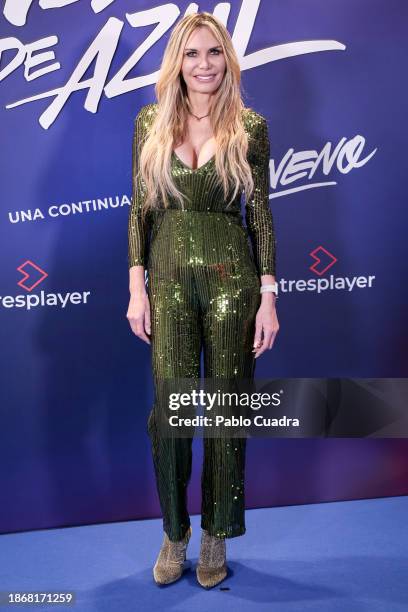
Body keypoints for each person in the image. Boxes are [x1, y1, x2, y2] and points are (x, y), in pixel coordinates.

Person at [126, 12, 279, 589]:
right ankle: (174, 530)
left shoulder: (251, 126)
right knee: (170, 413)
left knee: (225, 412)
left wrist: (268, 297)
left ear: (228, 60)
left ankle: (216, 530)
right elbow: (139, 211)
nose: (204, 65)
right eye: (192, 54)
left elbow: (260, 215)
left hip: (232, 279)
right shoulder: (149, 123)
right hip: (165, 276)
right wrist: (136, 287)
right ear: (177, 63)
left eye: (213, 53)